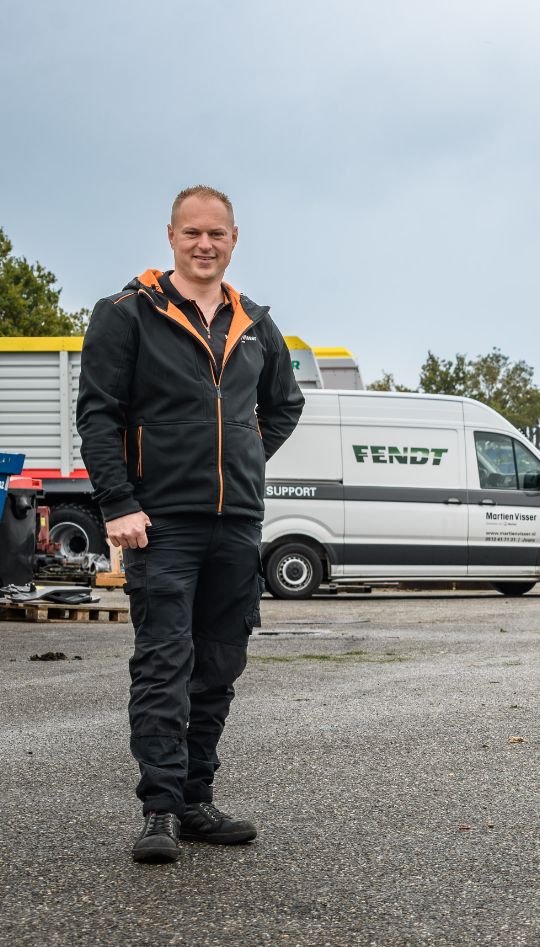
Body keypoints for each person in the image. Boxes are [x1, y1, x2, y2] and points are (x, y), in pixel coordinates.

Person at [76, 186, 305, 863]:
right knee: (163, 666)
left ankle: (196, 799)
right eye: (192, 233)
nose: (205, 244)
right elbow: (98, 415)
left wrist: (242, 459)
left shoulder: (255, 322)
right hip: (160, 523)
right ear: (171, 236)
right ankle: (159, 809)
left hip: (235, 522)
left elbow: (284, 406)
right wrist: (118, 502)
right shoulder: (127, 314)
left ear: (234, 239)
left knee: (219, 664)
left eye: (217, 234)